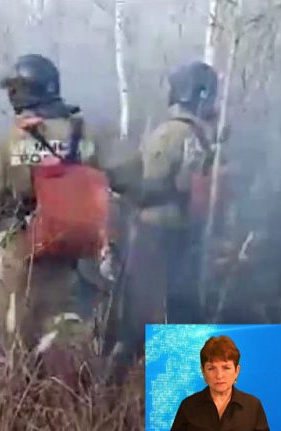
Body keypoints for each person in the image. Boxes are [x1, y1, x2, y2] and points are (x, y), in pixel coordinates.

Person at [0, 54, 111, 388]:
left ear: (22, 93)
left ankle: (22, 426)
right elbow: (131, 177)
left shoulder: (12, 142)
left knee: (17, 355)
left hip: (24, 261)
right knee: (72, 353)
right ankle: (82, 423)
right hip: (78, 259)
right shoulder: (85, 134)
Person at [108, 61, 234, 371]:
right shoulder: (194, 136)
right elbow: (188, 186)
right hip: (176, 236)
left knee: (139, 317)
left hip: (153, 235)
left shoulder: (169, 133)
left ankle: (111, 396)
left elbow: (146, 182)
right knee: (174, 316)